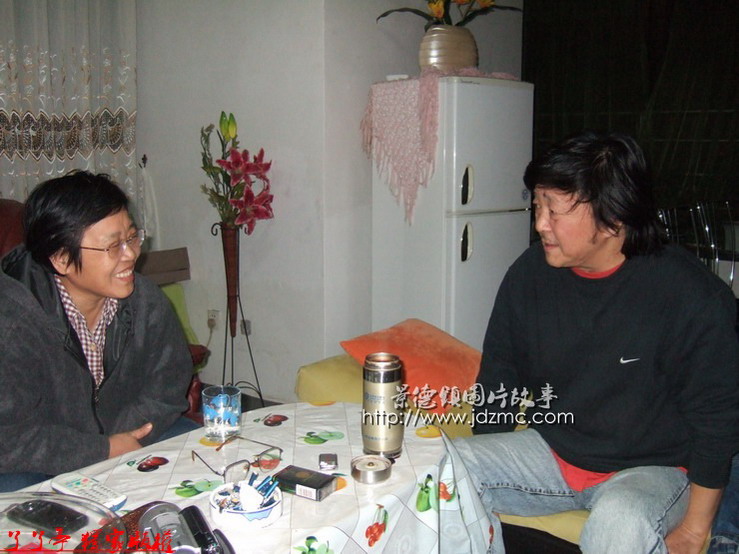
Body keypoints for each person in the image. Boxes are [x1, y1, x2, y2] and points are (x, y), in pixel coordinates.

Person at [454, 131, 739, 553]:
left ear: (613, 218)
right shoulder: (529, 275)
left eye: (554, 210)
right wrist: (485, 454)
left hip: (653, 469)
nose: (540, 224)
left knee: (620, 519)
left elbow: (717, 418)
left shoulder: (689, 295)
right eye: (537, 206)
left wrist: (696, 529)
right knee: (444, 469)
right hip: (553, 451)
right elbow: (500, 374)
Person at [0, 171, 194, 491]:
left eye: (132, 237)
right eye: (113, 246)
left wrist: (118, 443)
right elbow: (9, 438)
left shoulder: (145, 301)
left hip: (125, 438)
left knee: (204, 452)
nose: (131, 255)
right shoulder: (12, 322)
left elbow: (168, 386)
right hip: (37, 461)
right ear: (61, 259)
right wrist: (100, 450)